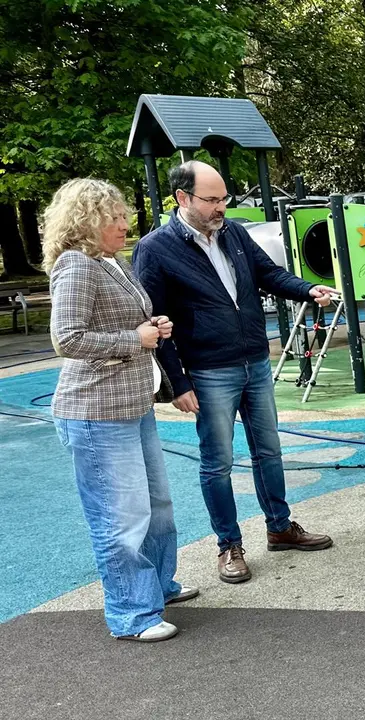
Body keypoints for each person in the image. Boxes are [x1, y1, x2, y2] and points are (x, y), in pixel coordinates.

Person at [133, 161, 338, 585]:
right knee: (218, 462)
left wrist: (307, 289)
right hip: (209, 371)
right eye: (211, 200)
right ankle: (228, 544)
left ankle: (280, 527)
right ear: (182, 198)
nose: (220, 207)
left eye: (224, 198)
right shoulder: (156, 249)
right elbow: (153, 320)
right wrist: (178, 383)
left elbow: (268, 274)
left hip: (255, 361)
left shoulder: (235, 234)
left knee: (269, 450)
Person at [45, 178, 198, 642]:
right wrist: (135, 338)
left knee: (158, 507)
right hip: (95, 412)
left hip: (131, 406)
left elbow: (120, 321)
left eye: (123, 216)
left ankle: (158, 586)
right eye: (113, 217)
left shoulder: (111, 263)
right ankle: (133, 614)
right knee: (121, 515)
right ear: (87, 221)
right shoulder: (76, 264)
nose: (123, 224)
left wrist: (152, 325)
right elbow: (66, 338)